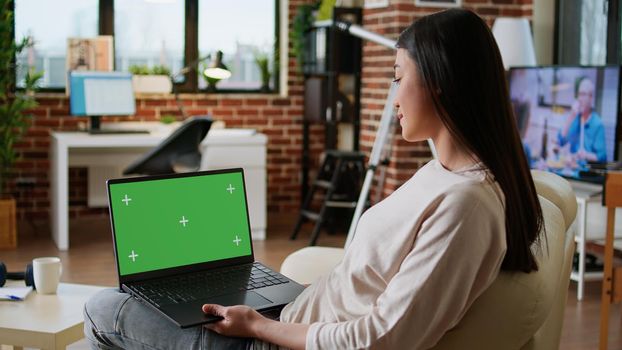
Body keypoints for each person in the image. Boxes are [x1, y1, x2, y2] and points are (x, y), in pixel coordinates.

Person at [83, 8, 543, 350]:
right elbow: (366, 286)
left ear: (439, 80)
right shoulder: (443, 171)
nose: (392, 95)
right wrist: (283, 303)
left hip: (276, 342)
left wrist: (258, 326)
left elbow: (385, 338)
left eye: (399, 76)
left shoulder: (467, 206)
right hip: (294, 316)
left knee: (100, 309)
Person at [556, 76, 607, 163]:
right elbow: (561, 141)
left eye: (583, 94)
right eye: (579, 94)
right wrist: (571, 116)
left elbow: (601, 157)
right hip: (572, 169)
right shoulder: (575, 118)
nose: (579, 99)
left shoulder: (598, 124)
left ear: (591, 97)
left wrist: (586, 155)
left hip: (587, 173)